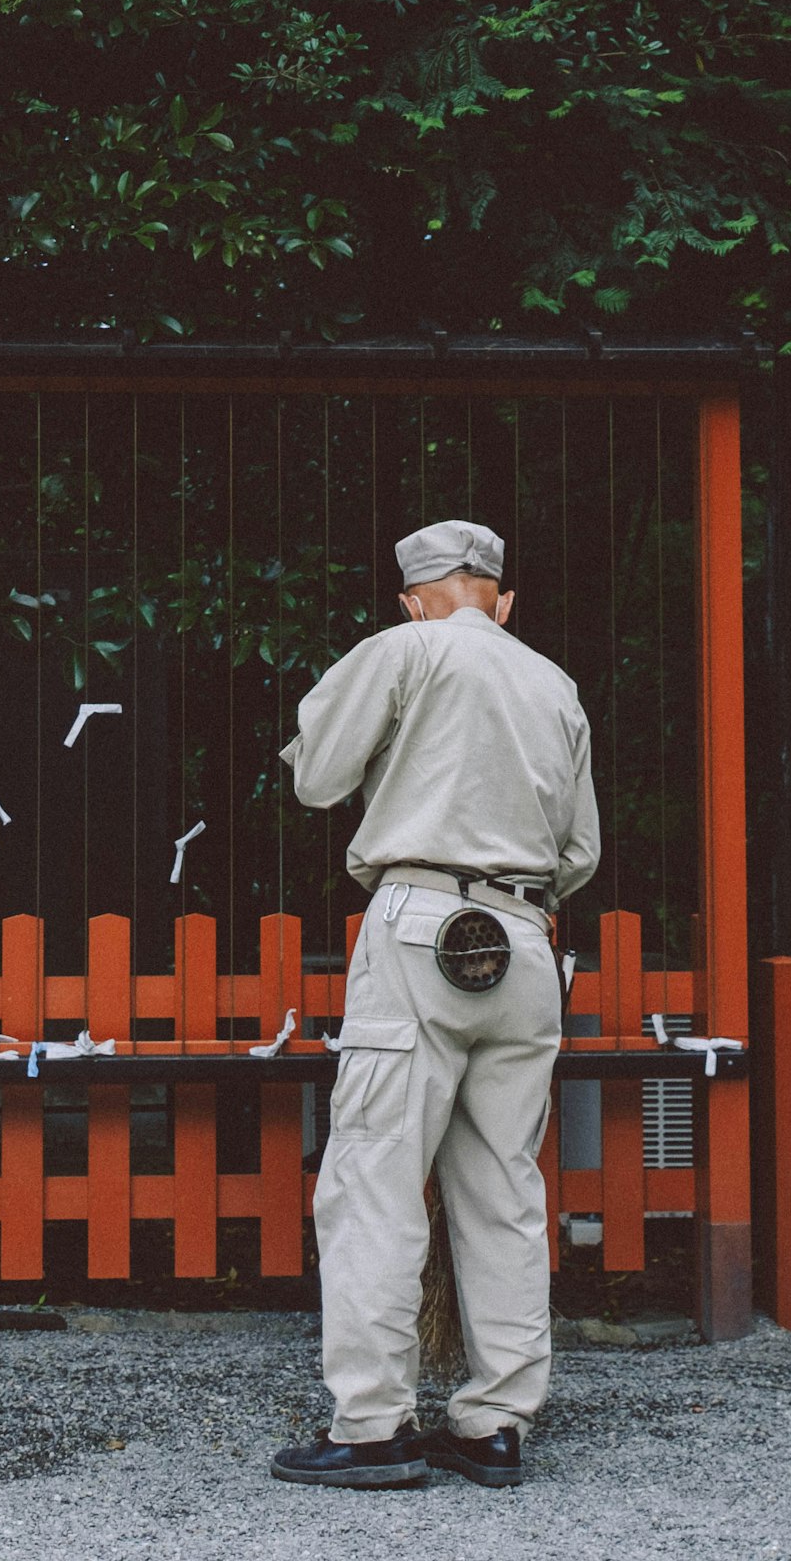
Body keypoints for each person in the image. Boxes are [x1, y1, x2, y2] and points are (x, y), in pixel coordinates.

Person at [266, 517, 600, 1493]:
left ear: (413, 597)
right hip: (528, 939)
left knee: (374, 1179)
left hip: (421, 923)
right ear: (502, 597)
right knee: (504, 1188)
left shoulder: (402, 648)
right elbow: (579, 854)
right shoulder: (555, 683)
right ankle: (495, 1423)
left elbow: (318, 776)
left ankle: (373, 1426)